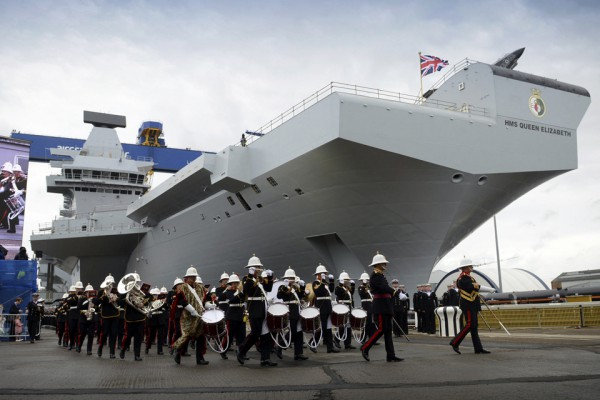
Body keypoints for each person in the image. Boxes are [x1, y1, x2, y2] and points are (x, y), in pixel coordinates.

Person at [360, 252, 403, 362]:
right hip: (380, 306)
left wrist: (393, 292)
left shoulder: (380, 275)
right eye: (383, 263)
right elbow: (383, 288)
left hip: (385, 305)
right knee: (381, 329)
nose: (385, 265)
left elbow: (385, 288)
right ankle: (365, 347)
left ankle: (391, 355)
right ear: (378, 264)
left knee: (388, 331)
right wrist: (394, 291)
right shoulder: (375, 275)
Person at [235, 254, 277, 367]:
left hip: (263, 308)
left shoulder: (260, 279)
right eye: (255, 267)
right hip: (254, 309)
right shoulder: (246, 279)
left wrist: (270, 277)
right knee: (255, 333)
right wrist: (250, 275)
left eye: (258, 266)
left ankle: (265, 358)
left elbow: (268, 288)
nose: (257, 269)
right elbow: (246, 290)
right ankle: (241, 350)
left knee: (266, 335)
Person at [449, 258, 491, 355]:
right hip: (468, 304)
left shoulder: (468, 277)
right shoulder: (463, 278)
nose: (472, 267)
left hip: (472, 304)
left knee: (474, 326)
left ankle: (478, 348)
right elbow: (471, 287)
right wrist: (488, 289)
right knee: (469, 325)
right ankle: (455, 342)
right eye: (470, 266)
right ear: (465, 268)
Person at [172, 266, 209, 365]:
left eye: (194, 277)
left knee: (201, 337)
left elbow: (204, 300)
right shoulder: (183, 287)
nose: (193, 279)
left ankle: (200, 358)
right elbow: (181, 301)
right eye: (191, 277)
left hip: (199, 316)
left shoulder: (200, 287)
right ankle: (177, 351)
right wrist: (192, 310)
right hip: (188, 316)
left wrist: (209, 305)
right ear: (187, 278)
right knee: (187, 336)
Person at [277, 268, 308, 360]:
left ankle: (298, 353)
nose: (292, 280)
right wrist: (286, 286)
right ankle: (280, 346)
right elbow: (279, 296)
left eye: (292, 278)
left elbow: (301, 296)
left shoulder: (295, 288)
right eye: (290, 278)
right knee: (293, 332)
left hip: (297, 310)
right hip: (290, 310)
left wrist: (302, 287)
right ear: (286, 278)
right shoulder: (282, 287)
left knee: (299, 332)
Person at [311, 263, 339, 353]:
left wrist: (331, 281)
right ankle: (312, 343)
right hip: (321, 306)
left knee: (328, 327)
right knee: (322, 327)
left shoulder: (324, 283)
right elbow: (319, 292)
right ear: (317, 275)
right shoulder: (315, 283)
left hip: (328, 306)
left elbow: (331, 290)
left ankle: (330, 347)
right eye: (322, 273)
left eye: (324, 273)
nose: (324, 275)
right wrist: (322, 281)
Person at [97, 274, 119, 358]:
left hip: (115, 315)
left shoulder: (116, 291)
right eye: (109, 283)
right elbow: (97, 302)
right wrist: (104, 296)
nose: (110, 285)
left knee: (113, 334)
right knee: (104, 333)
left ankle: (112, 352)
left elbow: (120, 302)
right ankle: (100, 347)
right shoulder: (101, 292)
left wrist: (116, 298)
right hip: (105, 315)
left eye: (112, 283)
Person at [334, 271, 355, 350]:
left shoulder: (347, 288)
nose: (347, 281)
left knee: (348, 326)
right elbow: (337, 293)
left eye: (347, 280)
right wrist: (340, 284)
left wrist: (353, 285)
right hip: (343, 307)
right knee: (342, 325)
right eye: (346, 280)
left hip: (348, 307)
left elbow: (351, 294)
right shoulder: (338, 288)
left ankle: (347, 344)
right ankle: (336, 340)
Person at [357, 272, 375, 342]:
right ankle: (363, 338)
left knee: (371, 323)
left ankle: (371, 338)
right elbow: (361, 294)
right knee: (367, 323)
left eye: (367, 280)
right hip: (365, 306)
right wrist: (364, 285)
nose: (367, 281)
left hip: (371, 306)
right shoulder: (361, 287)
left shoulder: (369, 288)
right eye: (365, 280)